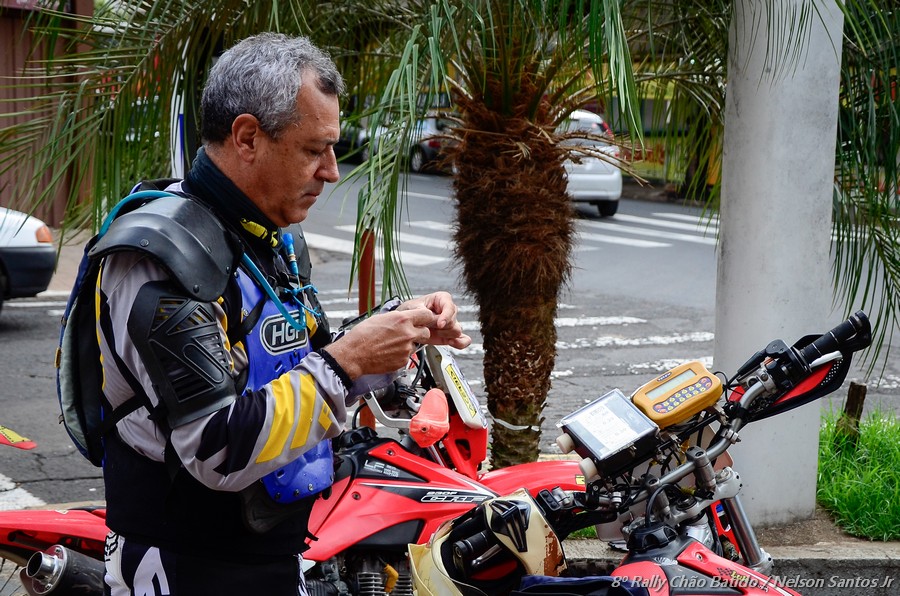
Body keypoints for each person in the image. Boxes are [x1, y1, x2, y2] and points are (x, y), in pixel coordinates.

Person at [92, 33, 470, 596]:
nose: (332, 171)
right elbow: (217, 447)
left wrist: (397, 331)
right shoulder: (162, 259)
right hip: (184, 563)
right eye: (314, 150)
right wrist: (348, 360)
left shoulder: (270, 237)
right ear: (247, 137)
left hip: (275, 549)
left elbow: (298, 364)